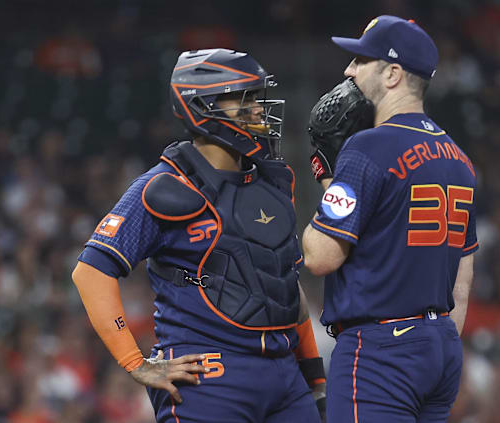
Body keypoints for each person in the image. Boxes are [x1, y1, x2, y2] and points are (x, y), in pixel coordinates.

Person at [71, 48, 325, 422]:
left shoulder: (273, 179)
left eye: (257, 98)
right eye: (245, 99)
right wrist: (136, 363)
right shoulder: (162, 186)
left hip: (285, 378)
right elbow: (91, 272)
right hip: (210, 379)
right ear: (205, 106)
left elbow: (283, 281)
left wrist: (313, 373)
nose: (258, 109)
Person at [302, 16, 478, 422]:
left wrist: (325, 170)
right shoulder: (458, 158)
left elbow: (320, 256)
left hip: (380, 350)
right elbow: (462, 285)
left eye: (361, 60)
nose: (349, 70)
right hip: (441, 348)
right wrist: (430, 341)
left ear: (393, 74)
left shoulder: (369, 148)